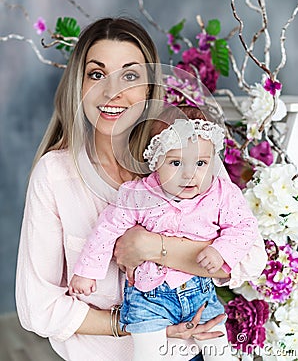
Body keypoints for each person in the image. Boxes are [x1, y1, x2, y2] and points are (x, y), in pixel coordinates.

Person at [16, 17, 245, 361]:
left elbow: (237, 264)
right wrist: (139, 324)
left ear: (151, 88)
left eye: (130, 75)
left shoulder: (189, 152)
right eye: (96, 74)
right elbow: (38, 306)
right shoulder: (54, 175)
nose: (112, 92)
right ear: (78, 86)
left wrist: (151, 246)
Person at [69, 105, 260, 360]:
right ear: (156, 161)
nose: (189, 174)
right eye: (176, 162)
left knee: (220, 354)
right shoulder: (138, 194)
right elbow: (106, 229)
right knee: (148, 355)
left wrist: (221, 250)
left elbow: (245, 227)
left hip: (200, 293)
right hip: (149, 299)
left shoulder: (222, 193)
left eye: (201, 162)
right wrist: (87, 272)